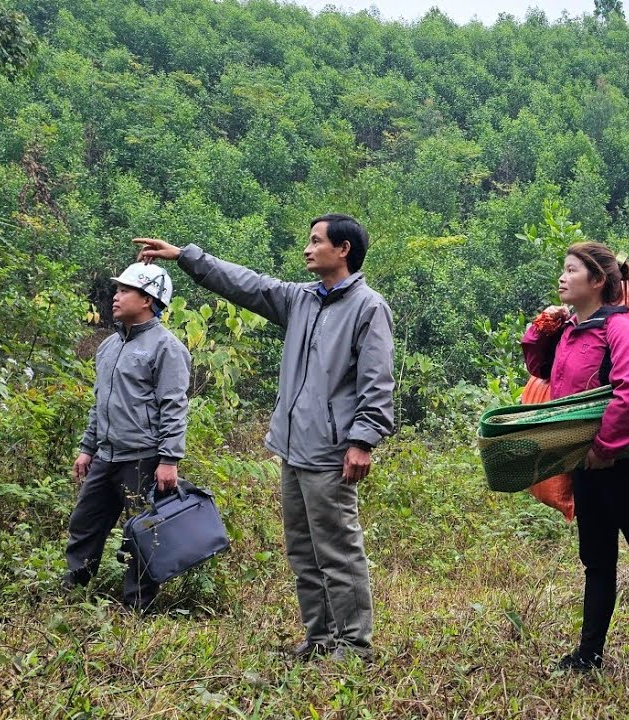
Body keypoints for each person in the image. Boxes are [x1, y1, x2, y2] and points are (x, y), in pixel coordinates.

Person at [133, 214, 395, 661]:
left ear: (344, 249)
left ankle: (353, 645)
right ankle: (319, 640)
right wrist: (185, 257)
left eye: (316, 241)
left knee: (338, 550)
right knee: (302, 550)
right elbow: (244, 283)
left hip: (331, 452)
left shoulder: (368, 308)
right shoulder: (300, 300)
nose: (308, 249)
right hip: (294, 449)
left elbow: (378, 381)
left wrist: (362, 440)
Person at [521, 242, 629, 682]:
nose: (562, 277)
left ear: (597, 281)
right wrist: (542, 328)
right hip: (586, 466)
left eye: (571, 270)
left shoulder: (619, 331)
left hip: (624, 467)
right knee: (597, 562)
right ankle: (588, 655)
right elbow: (542, 369)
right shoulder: (574, 328)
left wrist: (605, 448)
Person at [64, 263, 191, 612]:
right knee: (85, 522)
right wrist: (88, 447)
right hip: (107, 455)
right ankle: (75, 589)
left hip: (144, 457)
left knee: (144, 532)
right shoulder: (108, 346)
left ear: (148, 300)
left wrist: (169, 460)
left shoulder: (167, 348)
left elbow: (174, 406)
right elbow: (100, 402)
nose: (115, 297)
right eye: (117, 290)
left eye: (124, 291)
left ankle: (138, 606)